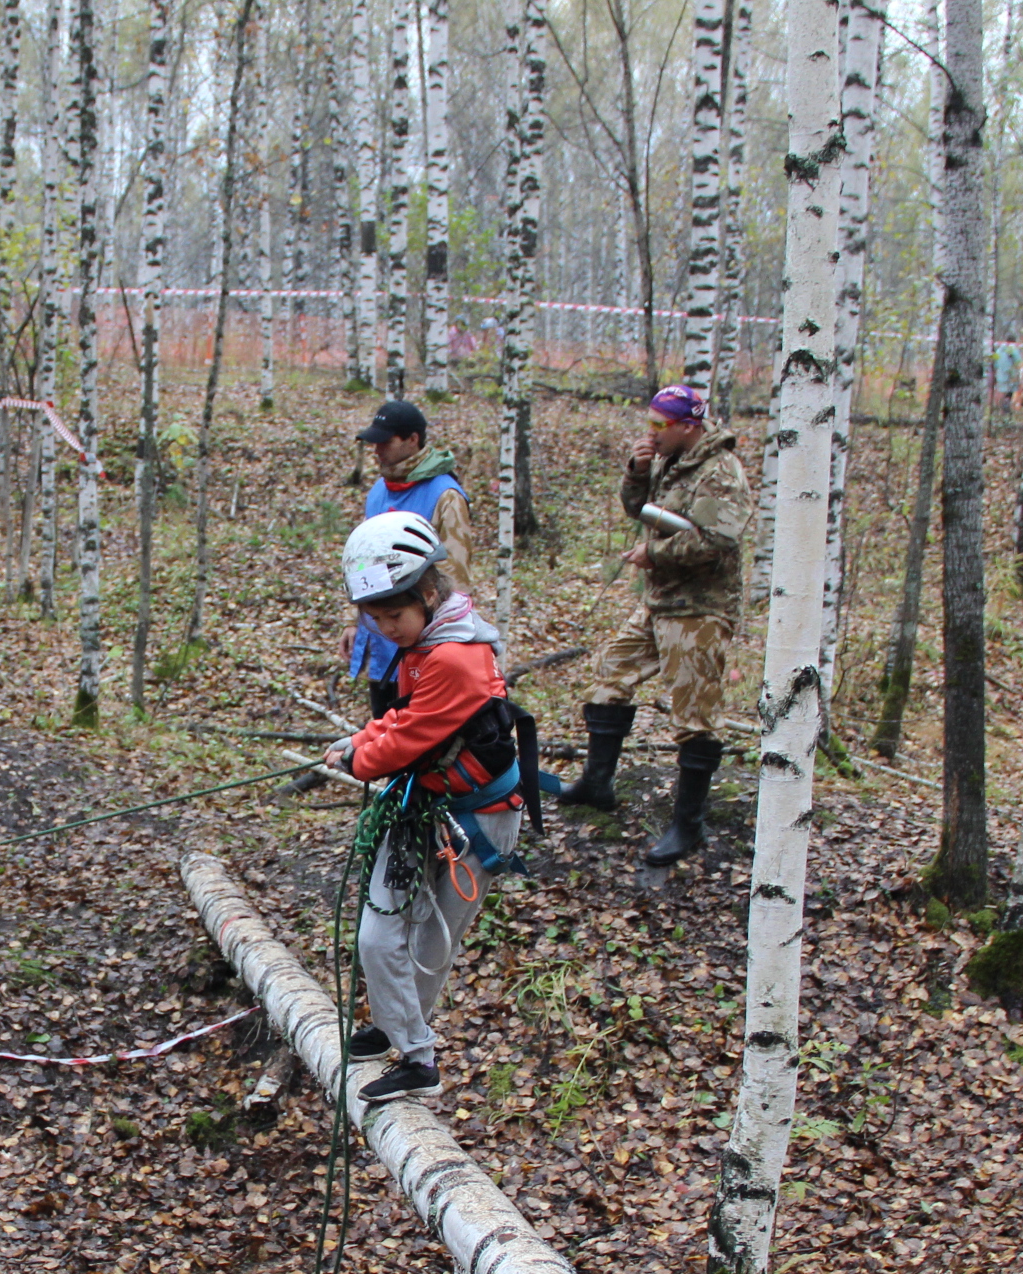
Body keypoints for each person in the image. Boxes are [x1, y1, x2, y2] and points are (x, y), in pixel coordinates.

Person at [320, 512, 534, 1104]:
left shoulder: (454, 657)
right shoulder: (428, 642)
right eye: (375, 617)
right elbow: (405, 718)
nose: (386, 628)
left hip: (480, 819)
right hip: (429, 805)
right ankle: (399, 1031)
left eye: (395, 614)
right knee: (379, 934)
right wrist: (358, 738)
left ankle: (416, 1056)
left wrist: (362, 759)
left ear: (429, 594)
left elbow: (408, 742)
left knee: (431, 942)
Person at [556, 383, 746, 869]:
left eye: (660, 426)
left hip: (700, 609)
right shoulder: (668, 458)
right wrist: (637, 473)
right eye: (650, 423)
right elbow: (638, 510)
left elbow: (717, 542)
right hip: (661, 600)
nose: (651, 433)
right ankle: (598, 783)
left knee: (693, 716)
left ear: (690, 426)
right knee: (610, 673)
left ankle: (689, 825)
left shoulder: (721, 472)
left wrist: (653, 553)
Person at [348, 400, 473, 717]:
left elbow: (454, 578)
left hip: (423, 644)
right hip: (381, 639)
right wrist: (356, 622)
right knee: (383, 729)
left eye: (385, 441)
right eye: (374, 442)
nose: (377, 449)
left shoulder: (445, 494)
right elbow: (363, 560)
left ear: (413, 439)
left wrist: (441, 647)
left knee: (416, 738)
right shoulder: (379, 490)